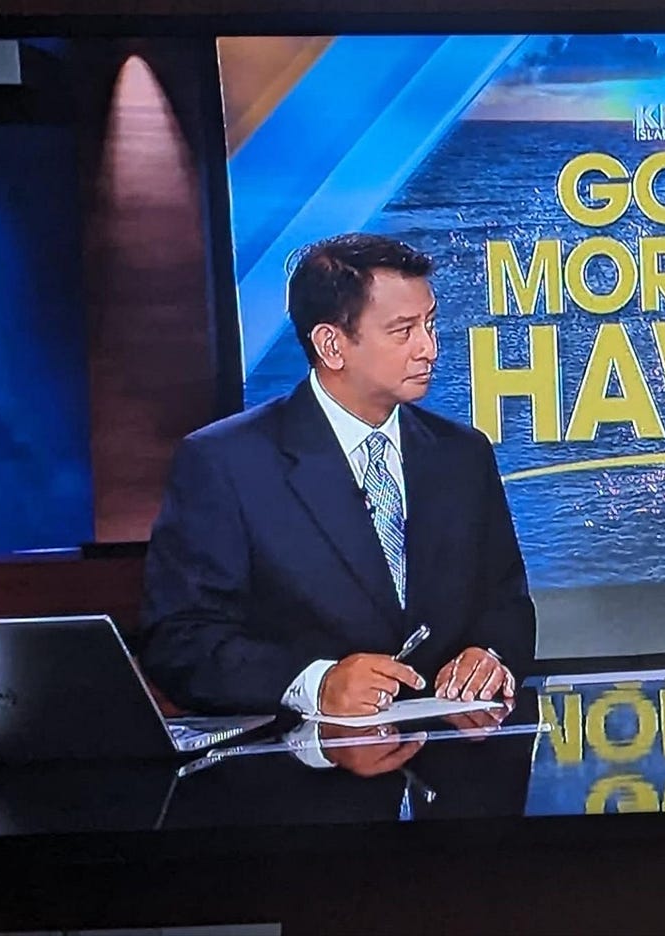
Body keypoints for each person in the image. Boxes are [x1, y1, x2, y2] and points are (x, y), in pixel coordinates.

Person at [140, 233, 536, 716]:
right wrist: (317, 682)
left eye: (430, 324)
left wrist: (490, 653)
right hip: (298, 755)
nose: (429, 348)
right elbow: (181, 641)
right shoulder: (226, 462)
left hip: (452, 748)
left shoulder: (462, 454)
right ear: (331, 344)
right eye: (403, 331)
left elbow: (506, 604)